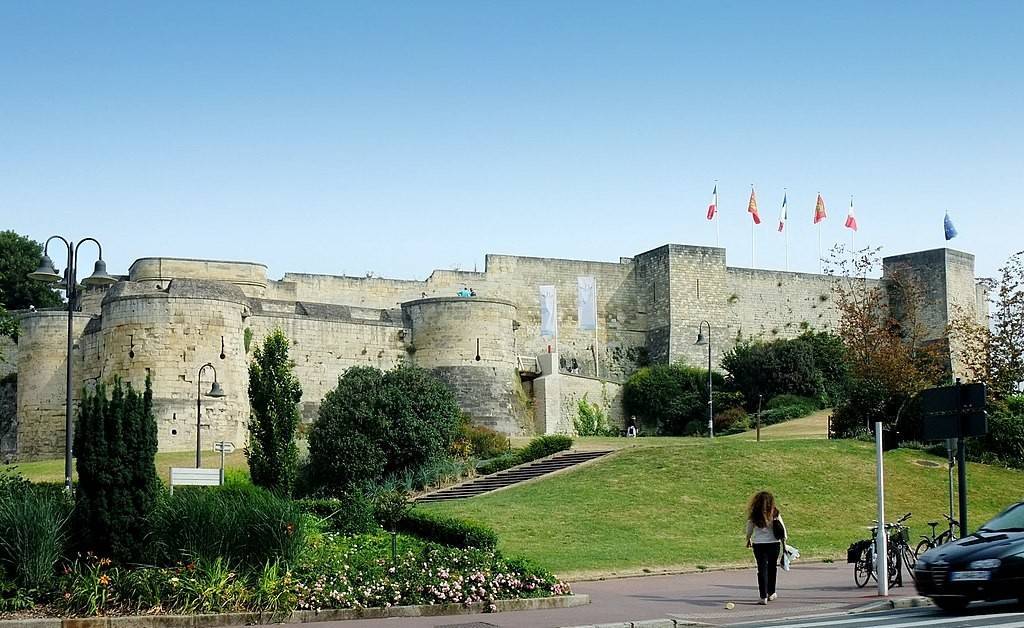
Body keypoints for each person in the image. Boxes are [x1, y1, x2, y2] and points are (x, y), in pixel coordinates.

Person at [745, 491, 786, 605]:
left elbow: (749, 528)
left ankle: (763, 596)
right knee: (772, 568)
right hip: (774, 543)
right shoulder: (775, 512)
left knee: (761, 569)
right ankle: (771, 592)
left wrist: (748, 539)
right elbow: (782, 528)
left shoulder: (754, 514)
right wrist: (784, 543)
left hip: (759, 544)